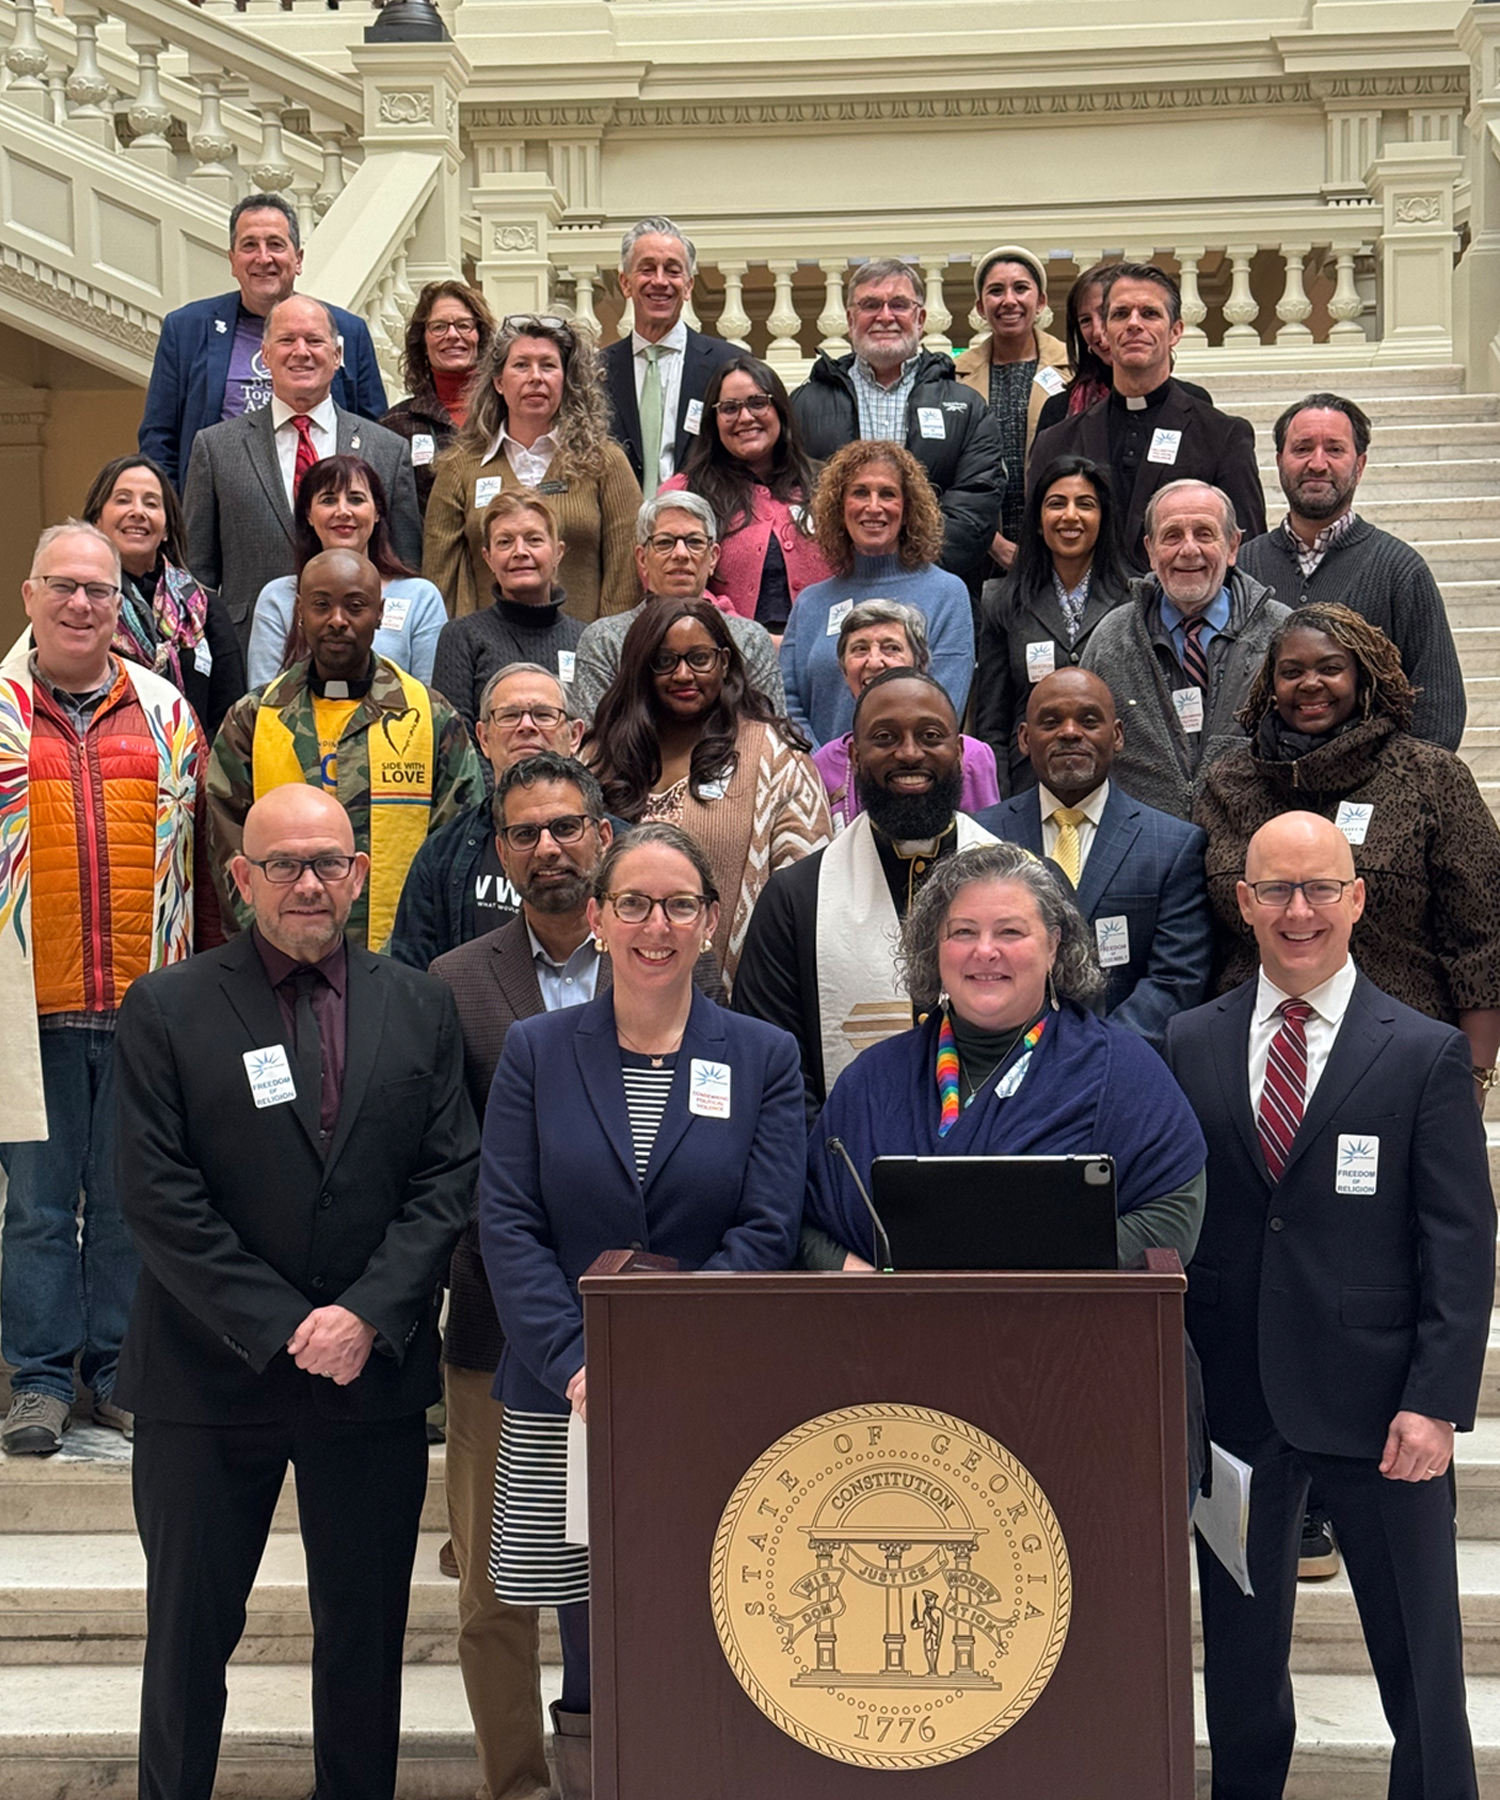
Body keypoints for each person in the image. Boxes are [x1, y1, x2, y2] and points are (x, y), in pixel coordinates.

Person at [113, 782, 476, 1800]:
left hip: (370, 1385)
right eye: (285, 864)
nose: (309, 883)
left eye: (329, 862)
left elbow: (450, 1176)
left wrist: (366, 1314)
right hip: (205, 1382)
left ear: (361, 874)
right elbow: (156, 1196)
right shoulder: (168, 1007)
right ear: (240, 879)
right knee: (190, 1639)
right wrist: (284, 1326)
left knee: (364, 1640)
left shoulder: (420, 1002)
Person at [1165, 811, 1495, 1800]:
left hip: (1381, 1408)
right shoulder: (1189, 1042)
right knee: (1240, 1658)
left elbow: (1459, 1244)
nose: (1297, 911)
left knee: (1421, 1659)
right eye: (1276, 890)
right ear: (1244, 903)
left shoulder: (1425, 1053)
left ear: (1356, 899)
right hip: (1234, 1409)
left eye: (1318, 889)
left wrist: (1435, 1402)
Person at [478, 821, 805, 1796]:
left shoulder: (763, 1056)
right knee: (584, 1616)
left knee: (710, 1606)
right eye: (632, 904)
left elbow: (767, 1228)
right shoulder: (535, 1053)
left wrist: (664, 1357)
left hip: (706, 1389)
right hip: (562, 1389)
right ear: (596, 919)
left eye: (676, 906)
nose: (653, 925)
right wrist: (585, 1363)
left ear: (710, 923)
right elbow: (510, 1225)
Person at [0, 520, 221, 1456]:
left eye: (97, 589)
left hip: (147, 1002)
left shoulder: (170, 713)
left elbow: (208, 870)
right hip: (31, 1005)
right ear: (31, 598)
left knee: (133, 1203)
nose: (82, 603)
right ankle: (41, 1382)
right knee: (40, 1210)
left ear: (116, 603)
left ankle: (122, 1373)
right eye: (64, 586)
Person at [425, 754, 613, 1800]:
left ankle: (625, 1765)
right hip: (498, 1334)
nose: (550, 848)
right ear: (501, 852)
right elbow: (446, 1164)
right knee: (496, 1591)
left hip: (644, 1330)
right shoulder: (455, 983)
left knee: (625, 1572)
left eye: (567, 827)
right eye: (528, 832)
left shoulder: (661, 955)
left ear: (602, 836)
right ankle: (518, 1784)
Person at [804, 840, 1206, 1271]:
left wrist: (1039, 1277)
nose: (985, 951)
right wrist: (867, 1285)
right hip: (891, 1328)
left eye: (1010, 932)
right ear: (934, 946)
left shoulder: (1122, 1070)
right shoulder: (871, 1080)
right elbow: (805, 1222)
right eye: (963, 932)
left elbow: (1173, 1214)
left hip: (1071, 1329)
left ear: (1053, 946)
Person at [1194, 601, 1500, 1081]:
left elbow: (1483, 936)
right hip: (1254, 1056)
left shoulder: (1430, 777)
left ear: (1363, 677)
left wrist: (1476, 1074)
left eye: (1331, 668)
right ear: (1270, 687)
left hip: (1403, 1057)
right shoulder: (1227, 783)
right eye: (1291, 671)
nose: (1310, 683)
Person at [733, 670, 998, 1118]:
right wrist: (835, 1166)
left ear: (959, 749)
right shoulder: (794, 899)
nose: (910, 752)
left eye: (931, 735)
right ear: (854, 755)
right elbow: (774, 1067)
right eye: (885, 737)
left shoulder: (1028, 886)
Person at [209, 549, 484, 953]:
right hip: (278, 959)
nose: (337, 620)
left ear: (379, 613)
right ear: (300, 612)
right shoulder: (253, 718)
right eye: (322, 605)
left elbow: (459, 845)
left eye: (355, 606)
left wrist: (419, 950)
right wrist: (270, 943)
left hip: (403, 966)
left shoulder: (430, 716)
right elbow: (228, 845)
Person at [586, 597, 831, 983]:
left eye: (699, 658)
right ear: (640, 667)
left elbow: (807, 899)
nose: (683, 674)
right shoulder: (598, 757)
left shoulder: (777, 758)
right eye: (665, 661)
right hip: (607, 996)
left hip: (738, 1001)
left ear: (725, 663)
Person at [975, 669, 1213, 1050]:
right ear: (1023, 738)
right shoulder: (980, 838)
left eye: (1089, 720)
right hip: (998, 1060)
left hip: (1118, 1066)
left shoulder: (1173, 846)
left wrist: (1096, 1052)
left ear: (1117, 736)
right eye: (1051, 722)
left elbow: (1175, 979)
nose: (1070, 732)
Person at [182, 295, 421, 655]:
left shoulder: (386, 449)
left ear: (338, 355)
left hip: (367, 654)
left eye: (314, 340)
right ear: (264, 355)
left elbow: (404, 562)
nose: (301, 351)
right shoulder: (216, 448)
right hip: (251, 651)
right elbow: (197, 573)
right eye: (286, 340)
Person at [1234, 393, 1466, 752]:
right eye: (1302, 449)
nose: (1317, 463)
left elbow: (1438, 705)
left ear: (1360, 465)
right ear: (1280, 461)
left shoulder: (1400, 569)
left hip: (1370, 793)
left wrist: (1392, 791)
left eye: (1335, 450)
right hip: (1263, 791)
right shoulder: (1243, 568)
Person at [137, 193, 387, 491]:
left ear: (299, 260)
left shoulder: (348, 330)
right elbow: (159, 438)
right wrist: (177, 515)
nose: (263, 257)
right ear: (232, 260)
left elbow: (374, 433)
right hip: (220, 506)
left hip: (328, 503)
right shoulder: (186, 329)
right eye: (249, 245)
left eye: (276, 244)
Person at [1030, 262, 1265, 572]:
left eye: (1150, 314)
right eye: (1120, 314)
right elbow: (1037, 556)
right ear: (1106, 331)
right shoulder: (1056, 441)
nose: (1133, 324)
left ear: (1176, 331)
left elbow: (1246, 551)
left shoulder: (1223, 437)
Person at [791, 258, 1003, 592]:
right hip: (836, 587)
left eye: (899, 305)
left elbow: (977, 503)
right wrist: (840, 565)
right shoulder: (804, 404)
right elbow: (791, 496)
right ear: (850, 319)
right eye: (870, 305)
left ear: (920, 318)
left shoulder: (967, 406)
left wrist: (911, 566)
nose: (885, 316)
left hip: (932, 589)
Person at [1081, 479, 1288, 821]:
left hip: (1251, 844)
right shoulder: (1111, 639)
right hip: (1145, 847)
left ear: (1233, 545)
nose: (1189, 550)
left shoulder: (1281, 633)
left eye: (1204, 534)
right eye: (1172, 535)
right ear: (1150, 549)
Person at [422, 313, 640, 624]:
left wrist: (606, 652)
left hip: (582, 657)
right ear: (498, 382)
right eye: (521, 365)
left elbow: (626, 576)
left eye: (548, 365)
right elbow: (440, 581)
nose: (535, 377)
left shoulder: (605, 462)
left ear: (566, 380)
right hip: (488, 661)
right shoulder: (459, 468)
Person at [390, 663, 585, 969]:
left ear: (574, 736)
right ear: (483, 738)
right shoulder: (440, 855)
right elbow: (411, 979)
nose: (527, 726)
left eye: (544, 715)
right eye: (509, 716)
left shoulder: (620, 850)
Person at [779, 442, 974, 747]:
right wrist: (825, 772)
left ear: (907, 509)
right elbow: (789, 704)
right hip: (820, 787)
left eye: (887, 494)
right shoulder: (810, 603)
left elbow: (943, 708)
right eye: (859, 493)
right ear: (839, 507)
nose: (873, 507)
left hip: (909, 779)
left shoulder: (948, 594)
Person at [974, 453, 1133, 794]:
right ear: (1038, 518)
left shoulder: (1134, 599)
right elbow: (993, 724)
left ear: (1103, 517)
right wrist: (1000, 803)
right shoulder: (1001, 600)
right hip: (1028, 786)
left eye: (1085, 504)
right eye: (1056, 504)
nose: (1070, 516)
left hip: (1117, 786)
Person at [569, 493, 786, 723]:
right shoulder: (605, 640)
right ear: (642, 559)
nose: (681, 554)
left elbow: (773, 737)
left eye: (694, 542)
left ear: (713, 558)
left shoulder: (749, 640)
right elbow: (593, 742)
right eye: (664, 542)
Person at [658, 353, 831, 631]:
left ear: (781, 411)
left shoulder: (829, 485)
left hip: (826, 651)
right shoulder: (685, 492)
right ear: (713, 420)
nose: (745, 417)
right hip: (724, 652)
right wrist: (742, 635)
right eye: (729, 408)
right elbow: (665, 578)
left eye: (758, 403)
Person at [246, 453, 446, 689]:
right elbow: (264, 701)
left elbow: (430, 704)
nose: (343, 511)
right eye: (328, 500)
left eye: (356, 499)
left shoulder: (420, 597)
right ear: (309, 515)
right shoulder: (277, 597)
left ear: (377, 512)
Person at [80, 453, 245, 737]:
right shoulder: (75, 607)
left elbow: (231, 719)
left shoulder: (206, 610)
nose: (138, 512)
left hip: (194, 774)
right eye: (122, 499)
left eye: (151, 503)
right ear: (97, 520)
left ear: (167, 528)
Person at [812, 600, 999, 829]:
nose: (874, 661)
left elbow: (988, 847)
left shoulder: (971, 756)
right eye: (860, 649)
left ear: (919, 664)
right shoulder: (824, 762)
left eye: (891, 648)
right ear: (844, 670)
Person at [600, 216, 741, 492]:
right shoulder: (596, 371)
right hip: (621, 529)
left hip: (704, 528)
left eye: (673, 271)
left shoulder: (727, 366)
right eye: (647, 269)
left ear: (688, 286)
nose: (660, 281)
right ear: (625, 283)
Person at [954, 245, 1072, 570]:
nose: (1009, 300)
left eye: (1021, 288)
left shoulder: (1074, 370)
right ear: (981, 306)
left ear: (1041, 301)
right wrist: (993, 543)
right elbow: (948, 470)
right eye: (996, 291)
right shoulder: (953, 377)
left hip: (1061, 548)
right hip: (980, 551)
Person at [430, 492, 584, 736]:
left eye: (534, 540)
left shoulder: (585, 639)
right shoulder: (461, 637)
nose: (520, 551)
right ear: (488, 558)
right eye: (505, 542)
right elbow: (455, 739)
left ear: (558, 552)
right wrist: (500, 776)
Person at [380, 279, 496, 515]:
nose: (452, 335)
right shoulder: (395, 427)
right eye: (439, 327)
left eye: (464, 325)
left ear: (480, 336)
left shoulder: (508, 415)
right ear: (423, 341)